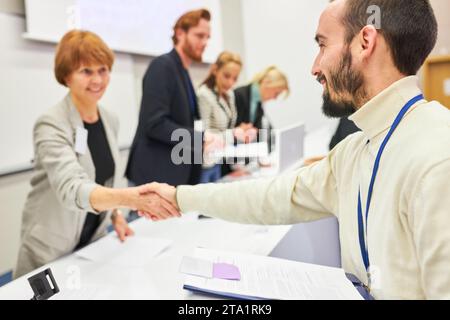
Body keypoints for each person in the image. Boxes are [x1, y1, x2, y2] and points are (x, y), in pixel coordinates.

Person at [138, 0, 450, 299]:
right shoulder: (356, 150)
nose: (315, 68)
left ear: (365, 41)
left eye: (322, 45)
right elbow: (272, 196)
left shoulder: (438, 154)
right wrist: (179, 197)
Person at [15, 30, 179, 278]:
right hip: (50, 249)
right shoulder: (51, 124)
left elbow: (104, 179)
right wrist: (130, 199)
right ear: (66, 76)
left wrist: (115, 215)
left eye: (103, 70)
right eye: (86, 71)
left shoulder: (109, 119)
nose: (97, 80)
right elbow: (73, 187)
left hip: (91, 244)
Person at [126, 9, 216, 187]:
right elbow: (155, 123)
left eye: (208, 37)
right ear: (180, 33)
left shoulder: (181, 71)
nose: (205, 42)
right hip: (154, 178)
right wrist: (200, 138)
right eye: (199, 36)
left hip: (174, 177)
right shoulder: (162, 67)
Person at [197, 51, 244, 183]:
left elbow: (230, 125)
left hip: (220, 157)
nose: (230, 82)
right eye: (226, 76)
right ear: (215, 70)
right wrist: (233, 134)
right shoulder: (204, 94)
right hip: (205, 161)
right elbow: (202, 135)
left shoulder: (230, 94)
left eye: (235, 78)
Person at [234, 66, 290, 130]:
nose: (275, 98)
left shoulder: (258, 102)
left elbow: (260, 128)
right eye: (276, 93)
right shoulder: (239, 95)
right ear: (266, 82)